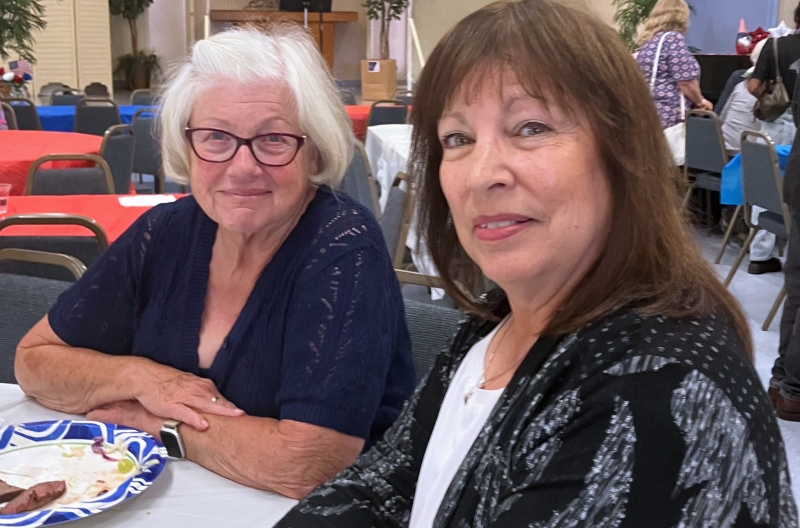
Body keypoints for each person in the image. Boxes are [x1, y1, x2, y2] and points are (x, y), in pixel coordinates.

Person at [276, 1, 797, 526]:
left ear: (622, 153)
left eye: (531, 127)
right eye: (458, 138)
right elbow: (381, 486)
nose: (481, 174)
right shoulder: (498, 322)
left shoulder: (656, 389)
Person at [14, 26, 416, 499]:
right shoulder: (165, 231)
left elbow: (310, 465)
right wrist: (139, 377)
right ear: (186, 146)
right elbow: (34, 362)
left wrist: (158, 423)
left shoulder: (343, 247)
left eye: (274, 139)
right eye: (215, 137)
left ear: (315, 152)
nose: (242, 167)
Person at [754, 1, 800, 421]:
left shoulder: (779, 48)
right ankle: (793, 389)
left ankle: (782, 383)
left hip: (795, 169)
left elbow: (757, 87)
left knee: (796, 285)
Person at [720, 39, 782, 275]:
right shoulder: (774, 101)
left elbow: (721, 116)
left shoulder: (739, 84)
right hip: (749, 155)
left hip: (725, 150)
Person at [636, 0, 712, 130]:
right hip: (670, 114)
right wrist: (700, 102)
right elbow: (685, 82)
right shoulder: (673, 39)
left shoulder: (649, 42)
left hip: (651, 111)